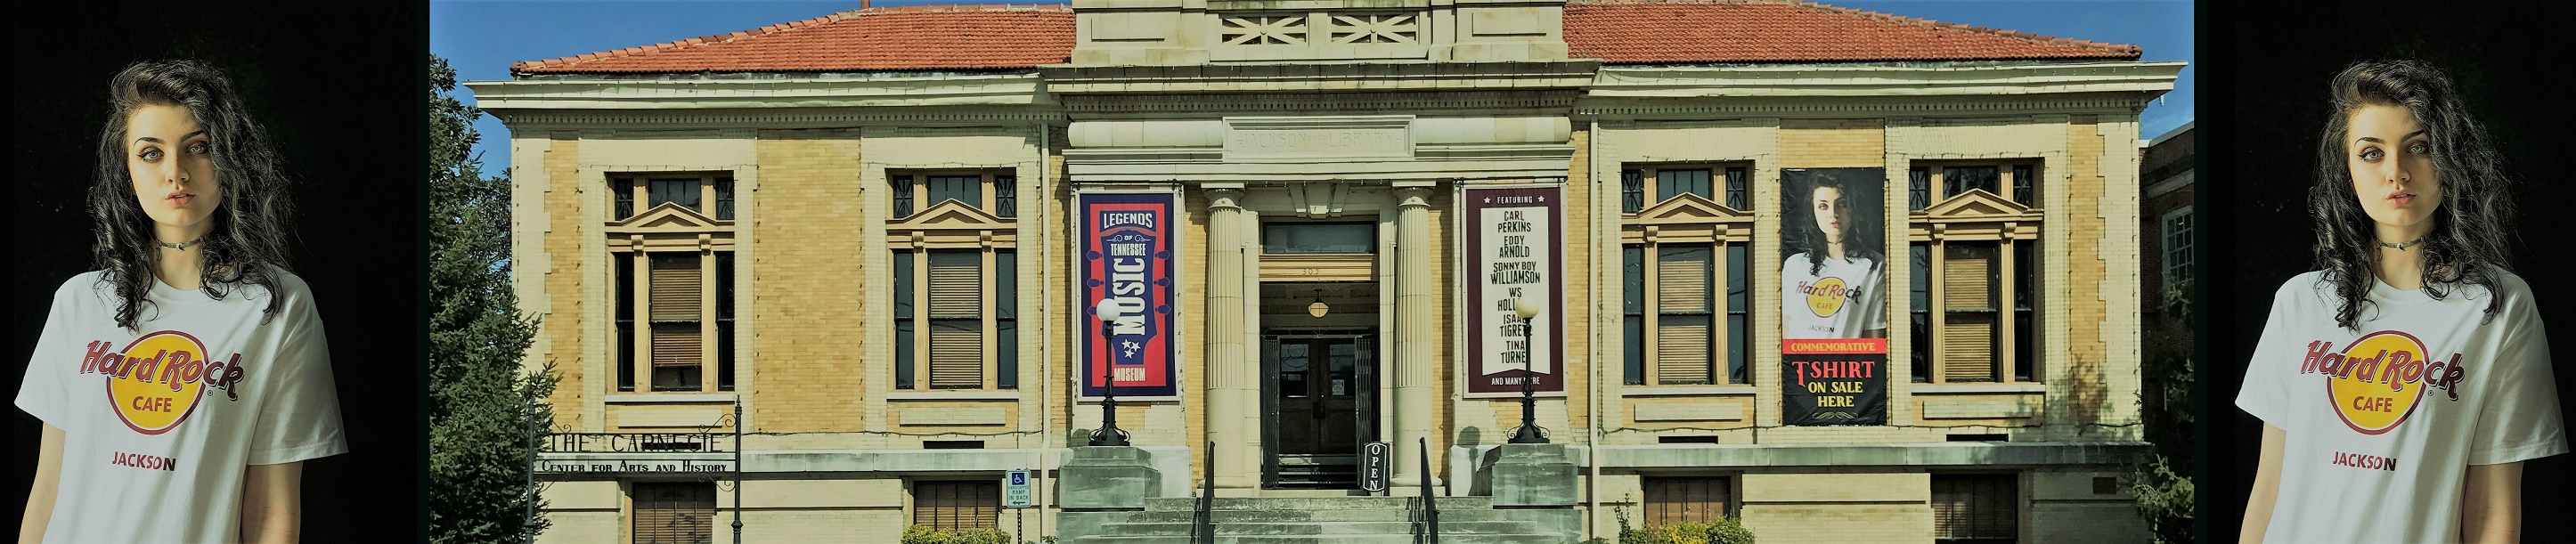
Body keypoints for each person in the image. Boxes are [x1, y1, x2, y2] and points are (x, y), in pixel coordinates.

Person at [16, 60, 345, 543]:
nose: (176, 172)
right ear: (126, 171)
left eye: (199, 147)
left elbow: (271, 511)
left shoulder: (277, 306)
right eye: (151, 153)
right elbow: (48, 487)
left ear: (230, 159)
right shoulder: (79, 302)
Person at [2238, 60, 2564, 543]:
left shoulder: (2498, 306)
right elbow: (2269, 487)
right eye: (2371, 153)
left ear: (2451, 159)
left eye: (2419, 147)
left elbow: (2492, 510)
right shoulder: (2299, 302)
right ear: (2346, 170)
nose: (2396, 172)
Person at [1781, 173, 1887, 339]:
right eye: (1823, 206)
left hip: (1846, 364)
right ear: (1813, 211)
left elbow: (1873, 336)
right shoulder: (1795, 265)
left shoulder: (1873, 266)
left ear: (1853, 208)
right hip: (1799, 363)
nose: (1833, 214)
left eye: (1841, 204)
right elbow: (1785, 328)